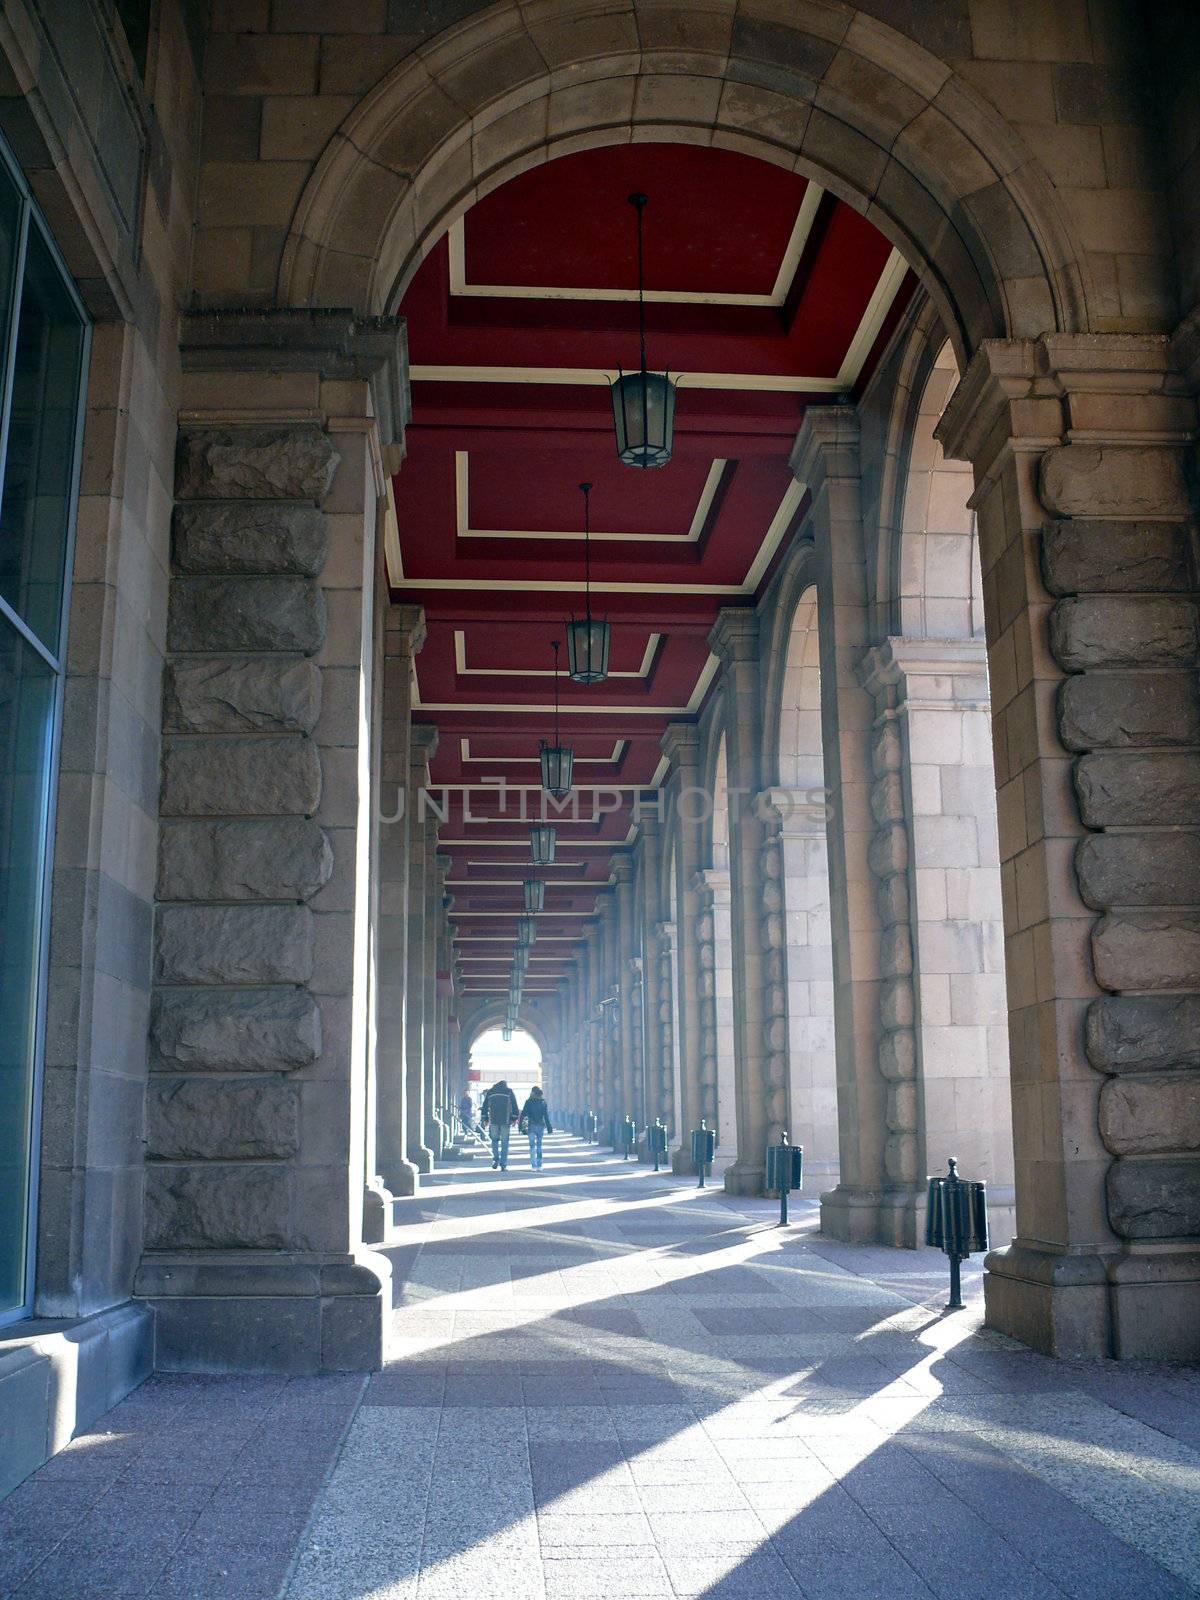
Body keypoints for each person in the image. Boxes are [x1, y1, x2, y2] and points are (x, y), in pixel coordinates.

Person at [480, 1079, 519, 1170]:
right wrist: (514, 1118)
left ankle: (495, 1159)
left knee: (494, 1140)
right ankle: (503, 1164)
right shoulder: (509, 1092)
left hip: (493, 1120)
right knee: (505, 1142)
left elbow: (485, 1105)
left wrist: (485, 1118)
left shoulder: (491, 1092)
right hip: (505, 1120)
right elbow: (514, 1105)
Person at [518, 1086, 553, 1170]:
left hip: (531, 1126)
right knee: (539, 1146)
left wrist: (520, 1126)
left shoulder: (528, 1102)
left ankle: (534, 1166)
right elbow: (546, 1116)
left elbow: (523, 1114)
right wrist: (549, 1128)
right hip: (541, 1126)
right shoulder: (543, 1102)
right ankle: (540, 1165)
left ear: (533, 1092)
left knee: (532, 1146)